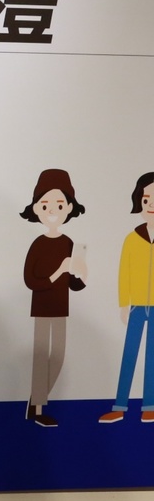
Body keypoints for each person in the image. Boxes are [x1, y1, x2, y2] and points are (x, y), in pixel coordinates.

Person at [20, 168, 87, 427]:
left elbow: (75, 285)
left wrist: (81, 273)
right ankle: (37, 409)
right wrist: (59, 270)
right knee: (41, 359)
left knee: (57, 357)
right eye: (46, 203)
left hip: (61, 308)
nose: (52, 209)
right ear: (36, 208)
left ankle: (34, 402)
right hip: (41, 309)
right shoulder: (38, 243)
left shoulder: (69, 242)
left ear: (69, 207)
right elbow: (31, 281)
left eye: (60, 204)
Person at [99, 171, 154, 424]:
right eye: (145, 199)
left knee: (152, 355)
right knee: (130, 353)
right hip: (136, 305)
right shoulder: (132, 239)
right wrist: (124, 303)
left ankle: (149, 405)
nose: (150, 204)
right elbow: (124, 272)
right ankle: (120, 405)